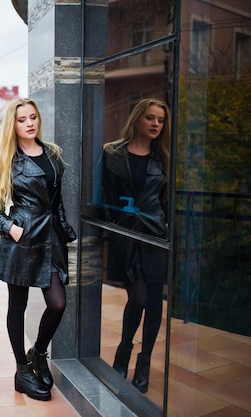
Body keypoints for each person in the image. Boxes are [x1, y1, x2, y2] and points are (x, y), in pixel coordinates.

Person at [0, 98, 76, 401]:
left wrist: (65, 230)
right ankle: (22, 371)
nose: (29, 123)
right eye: (22, 119)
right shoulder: (7, 160)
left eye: (33, 117)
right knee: (17, 305)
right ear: (14, 124)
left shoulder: (53, 155)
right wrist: (10, 228)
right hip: (22, 241)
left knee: (58, 302)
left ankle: (38, 352)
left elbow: (57, 200)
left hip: (51, 239)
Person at [102, 98, 171, 393]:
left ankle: (144, 365)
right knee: (139, 298)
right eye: (150, 118)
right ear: (137, 120)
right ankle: (124, 352)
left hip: (156, 238)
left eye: (161, 120)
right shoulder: (111, 153)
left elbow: (167, 201)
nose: (156, 124)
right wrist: (111, 228)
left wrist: (168, 234)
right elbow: (103, 194)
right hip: (127, 237)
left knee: (155, 304)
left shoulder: (164, 158)